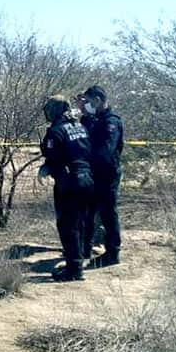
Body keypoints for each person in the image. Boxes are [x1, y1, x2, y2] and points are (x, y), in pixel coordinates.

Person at [38, 95, 93, 282]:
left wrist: (47, 167)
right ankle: (79, 259)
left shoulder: (56, 131)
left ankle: (74, 269)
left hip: (69, 182)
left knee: (68, 226)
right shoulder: (79, 126)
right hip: (87, 179)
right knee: (80, 223)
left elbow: (53, 156)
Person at [77, 85, 124, 266]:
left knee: (108, 213)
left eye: (88, 102)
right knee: (87, 213)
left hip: (107, 174)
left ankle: (112, 253)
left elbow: (106, 151)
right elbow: (84, 130)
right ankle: (85, 248)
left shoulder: (111, 122)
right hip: (94, 174)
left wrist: (87, 156)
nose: (87, 105)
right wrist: (84, 111)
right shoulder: (94, 119)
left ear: (97, 100)